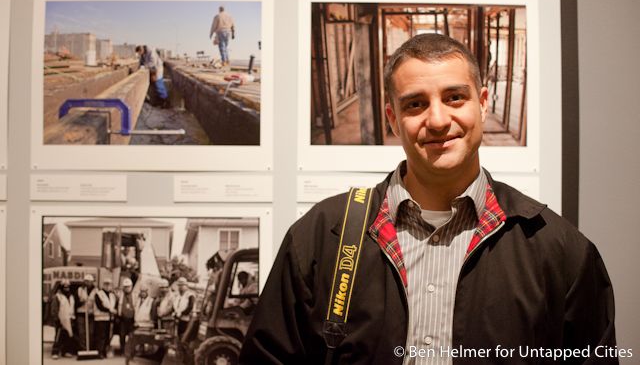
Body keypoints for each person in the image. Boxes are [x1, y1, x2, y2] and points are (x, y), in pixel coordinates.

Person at [240, 34, 617, 364]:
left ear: (483, 103)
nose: (437, 120)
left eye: (455, 97)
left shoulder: (559, 250)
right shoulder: (320, 237)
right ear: (392, 118)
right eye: (415, 104)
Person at [50, 279, 75, 359]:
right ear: (61, 287)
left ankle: (66, 351)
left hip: (69, 319)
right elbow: (54, 309)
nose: (66, 288)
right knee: (58, 336)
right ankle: (55, 352)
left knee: (67, 336)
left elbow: (72, 307)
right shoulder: (58, 297)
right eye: (65, 287)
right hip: (60, 319)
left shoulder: (71, 297)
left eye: (68, 287)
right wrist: (56, 319)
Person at [94, 279, 117, 359]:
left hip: (109, 319)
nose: (107, 286)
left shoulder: (112, 295)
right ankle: (99, 352)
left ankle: (104, 351)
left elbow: (114, 305)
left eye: (109, 284)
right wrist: (110, 310)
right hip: (100, 319)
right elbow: (100, 306)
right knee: (101, 336)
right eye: (106, 284)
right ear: (103, 285)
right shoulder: (98, 294)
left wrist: (114, 311)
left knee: (108, 336)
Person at [75, 274, 97, 352]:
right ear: (84, 282)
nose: (88, 283)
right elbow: (75, 302)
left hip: (91, 314)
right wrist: (81, 302)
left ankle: (90, 348)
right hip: (81, 313)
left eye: (90, 282)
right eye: (87, 281)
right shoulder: (80, 290)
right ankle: (83, 348)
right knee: (81, 333)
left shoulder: (96, 290)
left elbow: (97, 303)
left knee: (91, 332)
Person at [116, 278, 135, 356]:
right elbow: (117, 305)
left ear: (131, 286)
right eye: (125, 287)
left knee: (132, 335)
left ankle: (131, 350)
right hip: (122, 319)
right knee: (122, 335)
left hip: (131, 319)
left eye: (128, 287)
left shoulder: (135, 295)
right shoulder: (120, 295)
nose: (127, 288)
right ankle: (122, 350)